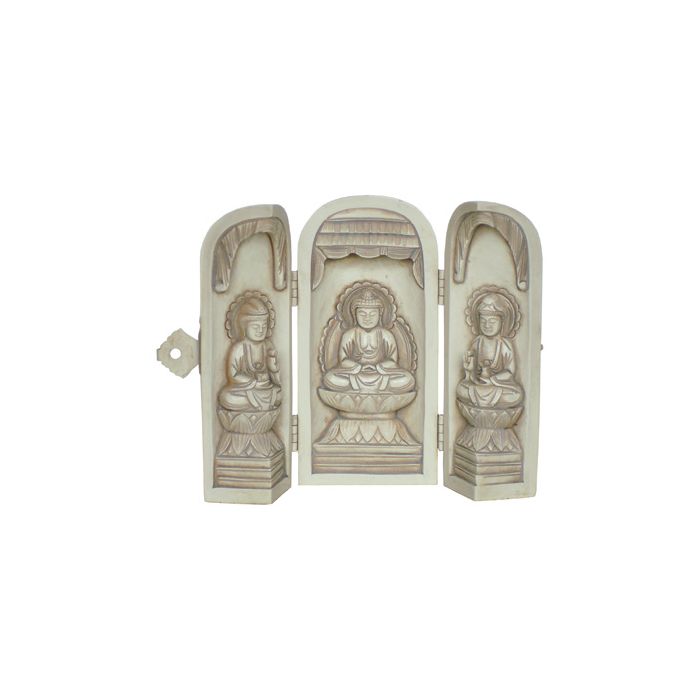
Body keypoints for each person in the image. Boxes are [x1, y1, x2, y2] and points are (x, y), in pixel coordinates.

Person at [322, 289, 415, 394]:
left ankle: (361, 390)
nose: (367, 318)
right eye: (362, 314)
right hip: (356, 373)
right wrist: (360, 367)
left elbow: (393, 361)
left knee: (408, 379)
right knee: (329, 378)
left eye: (372, 314)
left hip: (380, 374)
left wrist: (377, 367)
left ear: (380, 315)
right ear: (355, 315)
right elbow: (343, 360)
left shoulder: (386, 335)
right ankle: (376, 390)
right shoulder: (349, 335)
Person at [457, 291, 523, 408]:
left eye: (492, 321)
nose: (487, 325)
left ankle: (482, 405)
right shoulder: (477, 342)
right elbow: (472, 374)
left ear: (502, 322)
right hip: (479, 384)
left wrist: (492, 380)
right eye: (483, 321)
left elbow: (509, 372)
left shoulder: (505, 345)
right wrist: (469, 371)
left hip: (497, 385)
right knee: (461, 389)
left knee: (516, 394)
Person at [218, 296, 281, 411]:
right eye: (255, 327)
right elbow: (233, 375)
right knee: (226, 396)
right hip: (246, 389)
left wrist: (273, 369)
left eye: (264, 326)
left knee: (280, 394)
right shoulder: (238, 348)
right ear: (244, 327)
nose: (260, 330)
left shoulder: (267, 345)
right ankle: (260, 406)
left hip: (266, 388)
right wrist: (253, 382)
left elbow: (278, 381)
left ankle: (258, 406)